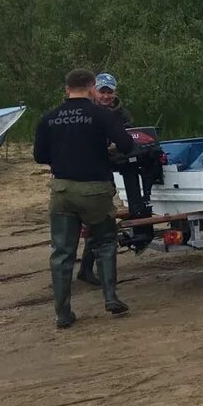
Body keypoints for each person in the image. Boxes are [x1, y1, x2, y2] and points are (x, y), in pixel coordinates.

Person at [33, 69, 135, 328]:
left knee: (62, 252)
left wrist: (63, 156)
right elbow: (126, 145)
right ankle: (111, 297)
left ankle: (63, 313)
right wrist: (104, 149)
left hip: (62, 191)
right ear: (91, 88)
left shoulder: (49, 118)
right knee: (104, 242)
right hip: (95, 189)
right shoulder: (102, 115)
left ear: (66, 89)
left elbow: (39, 156)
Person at [77, 72, 134, 286]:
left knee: (100, 221)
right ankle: (88, 269)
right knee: (93, 222)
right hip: (89, 172)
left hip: (112, 169)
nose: (107, 96)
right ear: (95, 91)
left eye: (110, 92)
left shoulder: (122, 113)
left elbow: (129, 138)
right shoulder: (87, 112)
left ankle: (88, 268)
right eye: (103, 91)